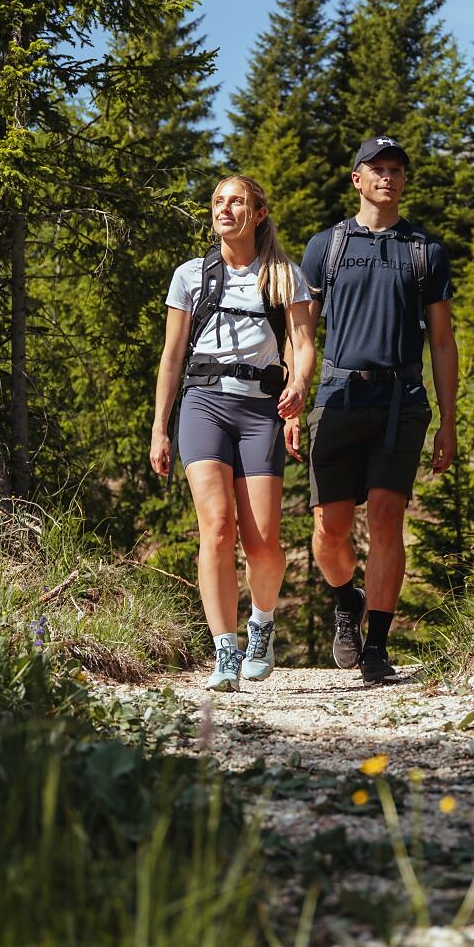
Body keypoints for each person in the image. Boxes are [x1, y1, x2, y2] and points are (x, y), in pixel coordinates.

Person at [292, 136, 457, 682]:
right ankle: (346, 600)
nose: (387, 177)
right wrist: (295, 402)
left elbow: (441, 342)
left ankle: (378, 647)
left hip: (400, 401)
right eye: (377, 168)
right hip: (336, 397)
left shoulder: (425, 251)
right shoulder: (326, 247)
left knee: (387, 519)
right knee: (329, 528)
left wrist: (448, 423)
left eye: (396, 170)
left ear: (404, 181)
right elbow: (302, 332)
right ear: (356, 178)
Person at [150, 176, 316, 691]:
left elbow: (304, 344)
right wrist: (159, 427)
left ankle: (260, 625)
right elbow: (172, 357)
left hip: (260, 410)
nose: (226, 208)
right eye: (219, 201)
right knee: (217, 527)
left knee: (263, 542)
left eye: (237, 200)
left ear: (258, 213)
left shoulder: (284, 275)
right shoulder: (190, 276)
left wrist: (299, 389)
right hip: (202, 404)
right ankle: (224, 649)